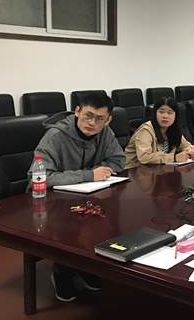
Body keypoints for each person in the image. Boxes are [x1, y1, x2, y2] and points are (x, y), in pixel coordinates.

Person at [29, 93, 125, 302]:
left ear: (108, 120)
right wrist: (89, 175)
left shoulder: (105, 132)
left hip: (90, 196)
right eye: (88, 115)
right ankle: (62, 270)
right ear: (77, 111)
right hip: (55, 202)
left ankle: (86, 267)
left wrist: (96, 172)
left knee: (106, 221)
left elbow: (118, 161)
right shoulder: (55, 136)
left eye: (99, 118)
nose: (92, 123)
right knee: (70, 227)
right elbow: (37, 177)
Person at [124, 97, 194, 169]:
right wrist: (174, 157)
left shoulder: (173, 129)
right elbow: (144, 157)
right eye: (161, 112)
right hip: (134, 171)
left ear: (175, 116)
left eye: (170, 113)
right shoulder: (145, 130)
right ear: (155, 114)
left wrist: (192, 150)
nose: (165, 116)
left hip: (159, 170)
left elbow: (185, 145)